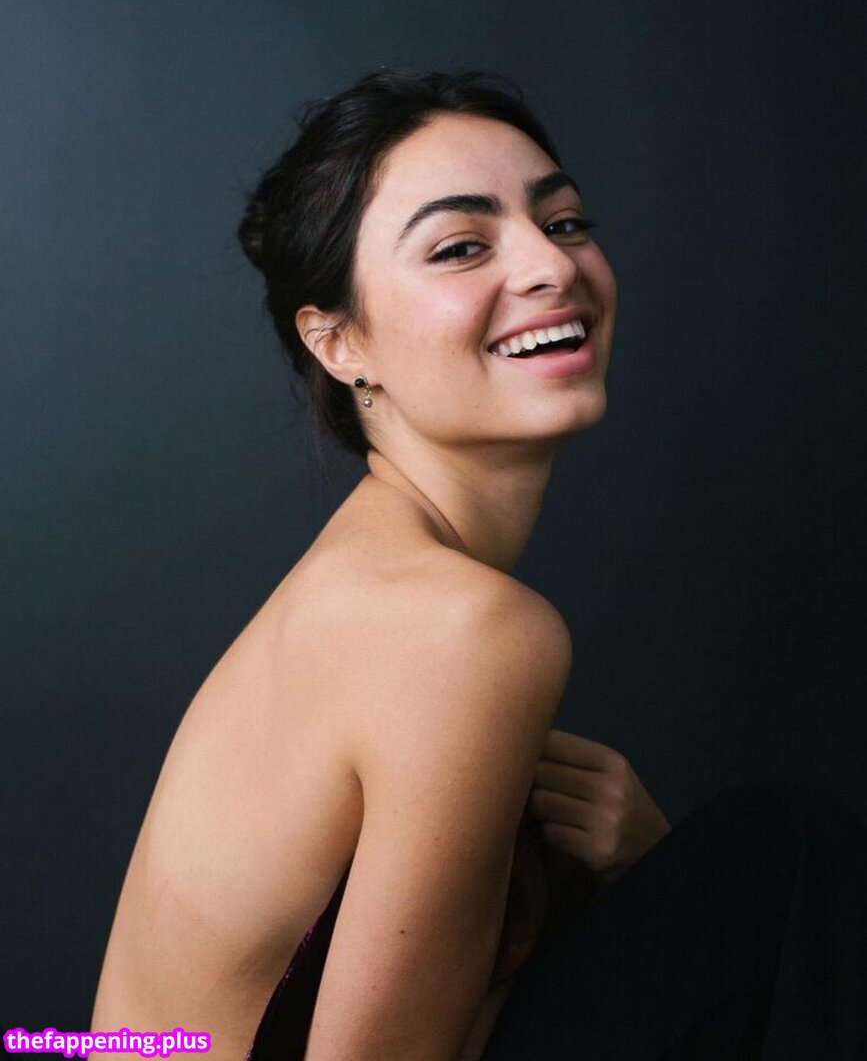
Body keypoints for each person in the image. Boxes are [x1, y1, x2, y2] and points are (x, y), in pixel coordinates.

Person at [90, 68, 867, 1061]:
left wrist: (655, 880)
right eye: (460, 247)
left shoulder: (372, 583)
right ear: (339, 343)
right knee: (783, 851)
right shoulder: (458, 630)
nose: (550, 266)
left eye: (566, 223)